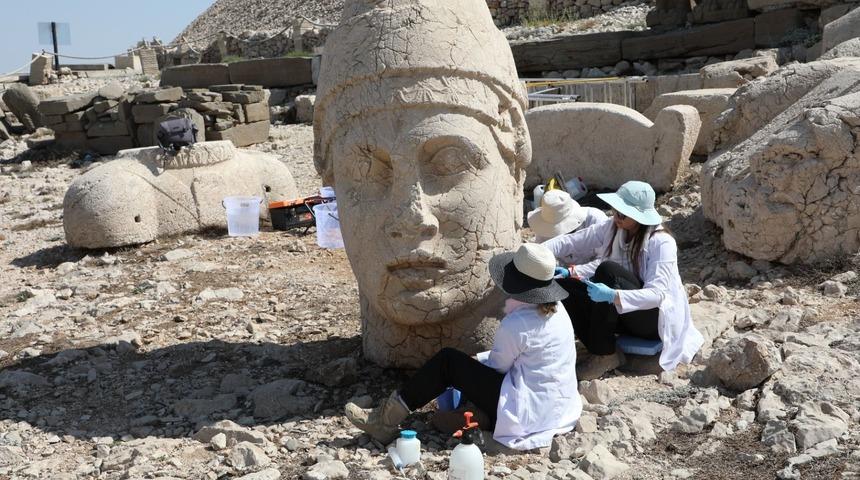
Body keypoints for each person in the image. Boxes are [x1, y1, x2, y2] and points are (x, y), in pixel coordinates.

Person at [344, 243, 581, 450]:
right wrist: (479, 360)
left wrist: (472, 364)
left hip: (527, 414)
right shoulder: (558, 310)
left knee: (448, 362)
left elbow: (497, 368)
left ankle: (386, 420)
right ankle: (475, 416)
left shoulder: (517, 323)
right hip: (557, 408)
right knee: (468, 366)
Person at [543, 180, 704, 380]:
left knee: (607, 271)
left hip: (651, 320)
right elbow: (573, 241)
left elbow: (658, 294)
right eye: (615, 210)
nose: (616, 217)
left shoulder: (661, 242)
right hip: (625, 313)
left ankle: (604, 355)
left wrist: (613, 295)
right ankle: (595, 347)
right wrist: (540, 255)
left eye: (623, 213)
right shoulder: (613, 229)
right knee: (563, 286)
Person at [528, 189, 608, 265]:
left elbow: (604, 260)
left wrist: (575, 271)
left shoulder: (596, 220)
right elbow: (541, 255)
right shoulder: (543, 229)